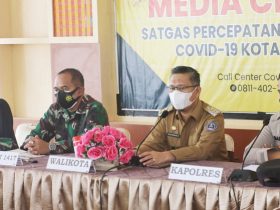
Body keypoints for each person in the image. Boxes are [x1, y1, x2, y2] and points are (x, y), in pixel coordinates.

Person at [139, 66, 228, 167]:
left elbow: (203, 150)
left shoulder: (213, 117)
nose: (175, 93)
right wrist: (133, 153)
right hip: (175, 171)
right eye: (172, 88)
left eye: (181, 88)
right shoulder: (166, 115)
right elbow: (152, 143)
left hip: (209, 173)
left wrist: (169, 155)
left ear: (197, 91)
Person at [21, 68, 109, 155]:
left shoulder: (94, 109)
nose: (59, 94)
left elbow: (87, 145)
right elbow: (34, 135)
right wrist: (32, 144)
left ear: (80, 91)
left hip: (88, 166)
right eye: (56, 90)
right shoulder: (55, 109)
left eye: (65, 88)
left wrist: (50, 147)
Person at [243, 78, 280, 165]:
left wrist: (270, 154)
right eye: (279, 91)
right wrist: (274, 153)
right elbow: (247, 155)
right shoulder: (274, 121)